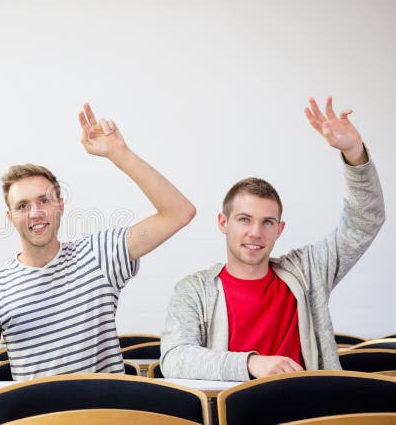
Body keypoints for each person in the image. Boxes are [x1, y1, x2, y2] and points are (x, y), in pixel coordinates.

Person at [160, 96, 385, 381]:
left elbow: (364, 223)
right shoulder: (194, 290)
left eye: (267, 222)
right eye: (244, 219)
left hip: (311, 411)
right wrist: (251, 364)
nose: (256, 232)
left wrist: (354, 152)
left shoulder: (307, 272)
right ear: (223, 223)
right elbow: (175, 358)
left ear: (280, 229)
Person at [0, 103, 196, 381]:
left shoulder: (100, 254)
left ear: (60, 206)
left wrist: (119, 154)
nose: (36, 213)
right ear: (11, 217)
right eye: (23, 206)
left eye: (44, 200)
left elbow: (179, 213)